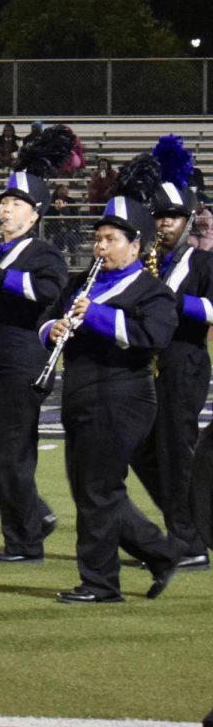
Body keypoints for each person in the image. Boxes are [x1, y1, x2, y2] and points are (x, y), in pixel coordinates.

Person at [39, 161, 180, 603]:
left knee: (99, 490)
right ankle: (160, 552)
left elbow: (152, 336)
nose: (100, 247)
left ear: (135, 246)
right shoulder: (83, 282)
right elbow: (46, 321)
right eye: (98, 238)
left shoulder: (151, 291)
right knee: (91, 491)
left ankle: (101, 583)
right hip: (82, 394)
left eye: (111, 240)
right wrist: (53, 331)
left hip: (124, 397)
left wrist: (94, 315)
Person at [0, 133, 70, 564]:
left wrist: (1, 279)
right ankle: (34, 514)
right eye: (3, 202)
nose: (5, 209)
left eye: (16, 204)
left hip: (24, 363)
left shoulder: (43, 254)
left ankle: (24, 543)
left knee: (13, 455)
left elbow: (49, 290)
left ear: (35, 214)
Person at [132, 136, 210, 570]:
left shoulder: (201, 264)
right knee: (142, 449)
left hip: (184, 363)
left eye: (173, 217)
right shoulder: (147, 262)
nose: (164, 224)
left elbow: (212, 308)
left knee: (178, 454)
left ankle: (192, 543)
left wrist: (172, 301)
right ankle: (182, 526)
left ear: (187, 221)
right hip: (148, 368)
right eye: (159, 216)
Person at [43, 183, 82, 253]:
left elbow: (75, 216)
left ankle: (72, 256)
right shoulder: (51, 201)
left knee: (70, 237)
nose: (65, 191)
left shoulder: (71, 201)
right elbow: (48, 215)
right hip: (55, 227)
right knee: (56, 238)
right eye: (62, 189)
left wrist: (65, 212)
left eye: (66, 189)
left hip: (69, 226)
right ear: (58, 191)